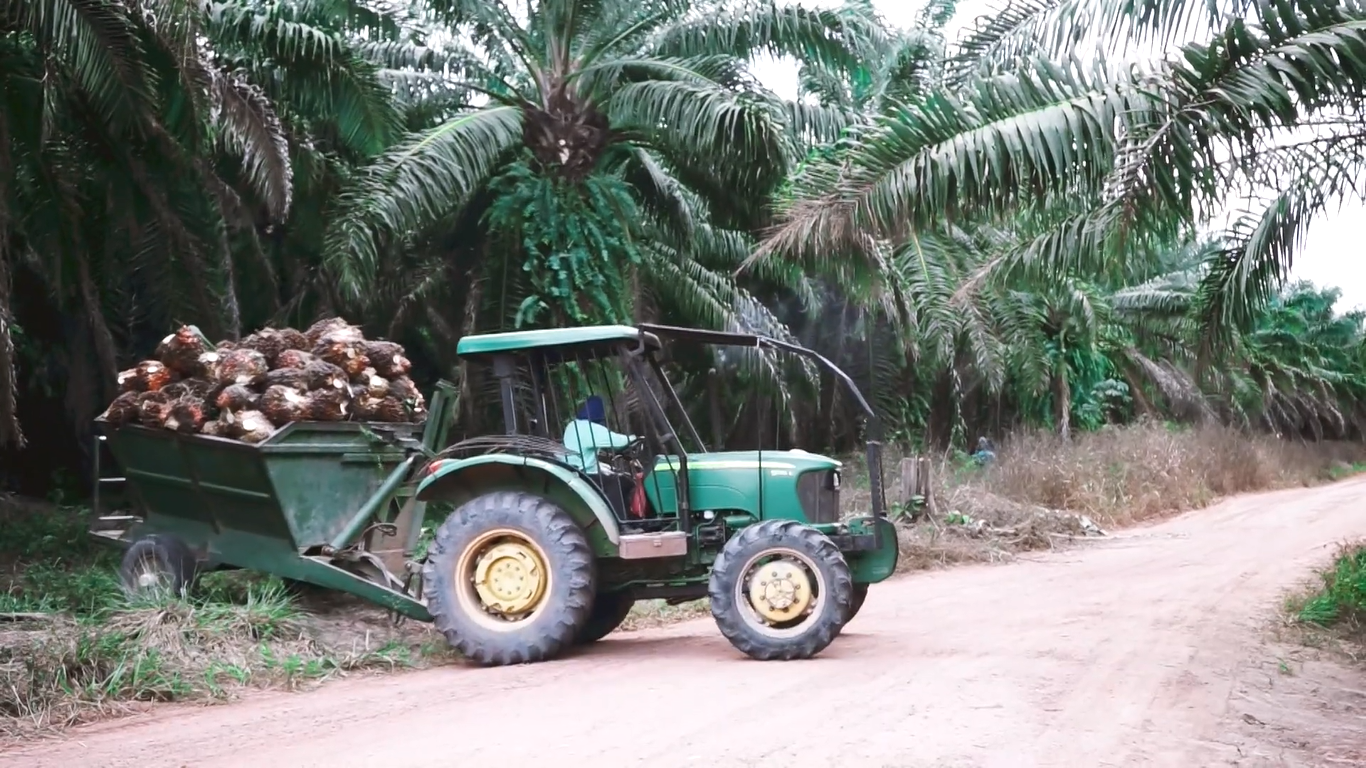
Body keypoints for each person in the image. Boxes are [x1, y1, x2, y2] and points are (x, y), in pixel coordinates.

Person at [562, 396, 643, 517]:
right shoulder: (590, 429)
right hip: (584, 474)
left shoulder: (573, 425)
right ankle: (621, 521)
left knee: (616, 475)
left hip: (573, 470)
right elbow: (618, 441)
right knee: (620, 482)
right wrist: (635, 439)